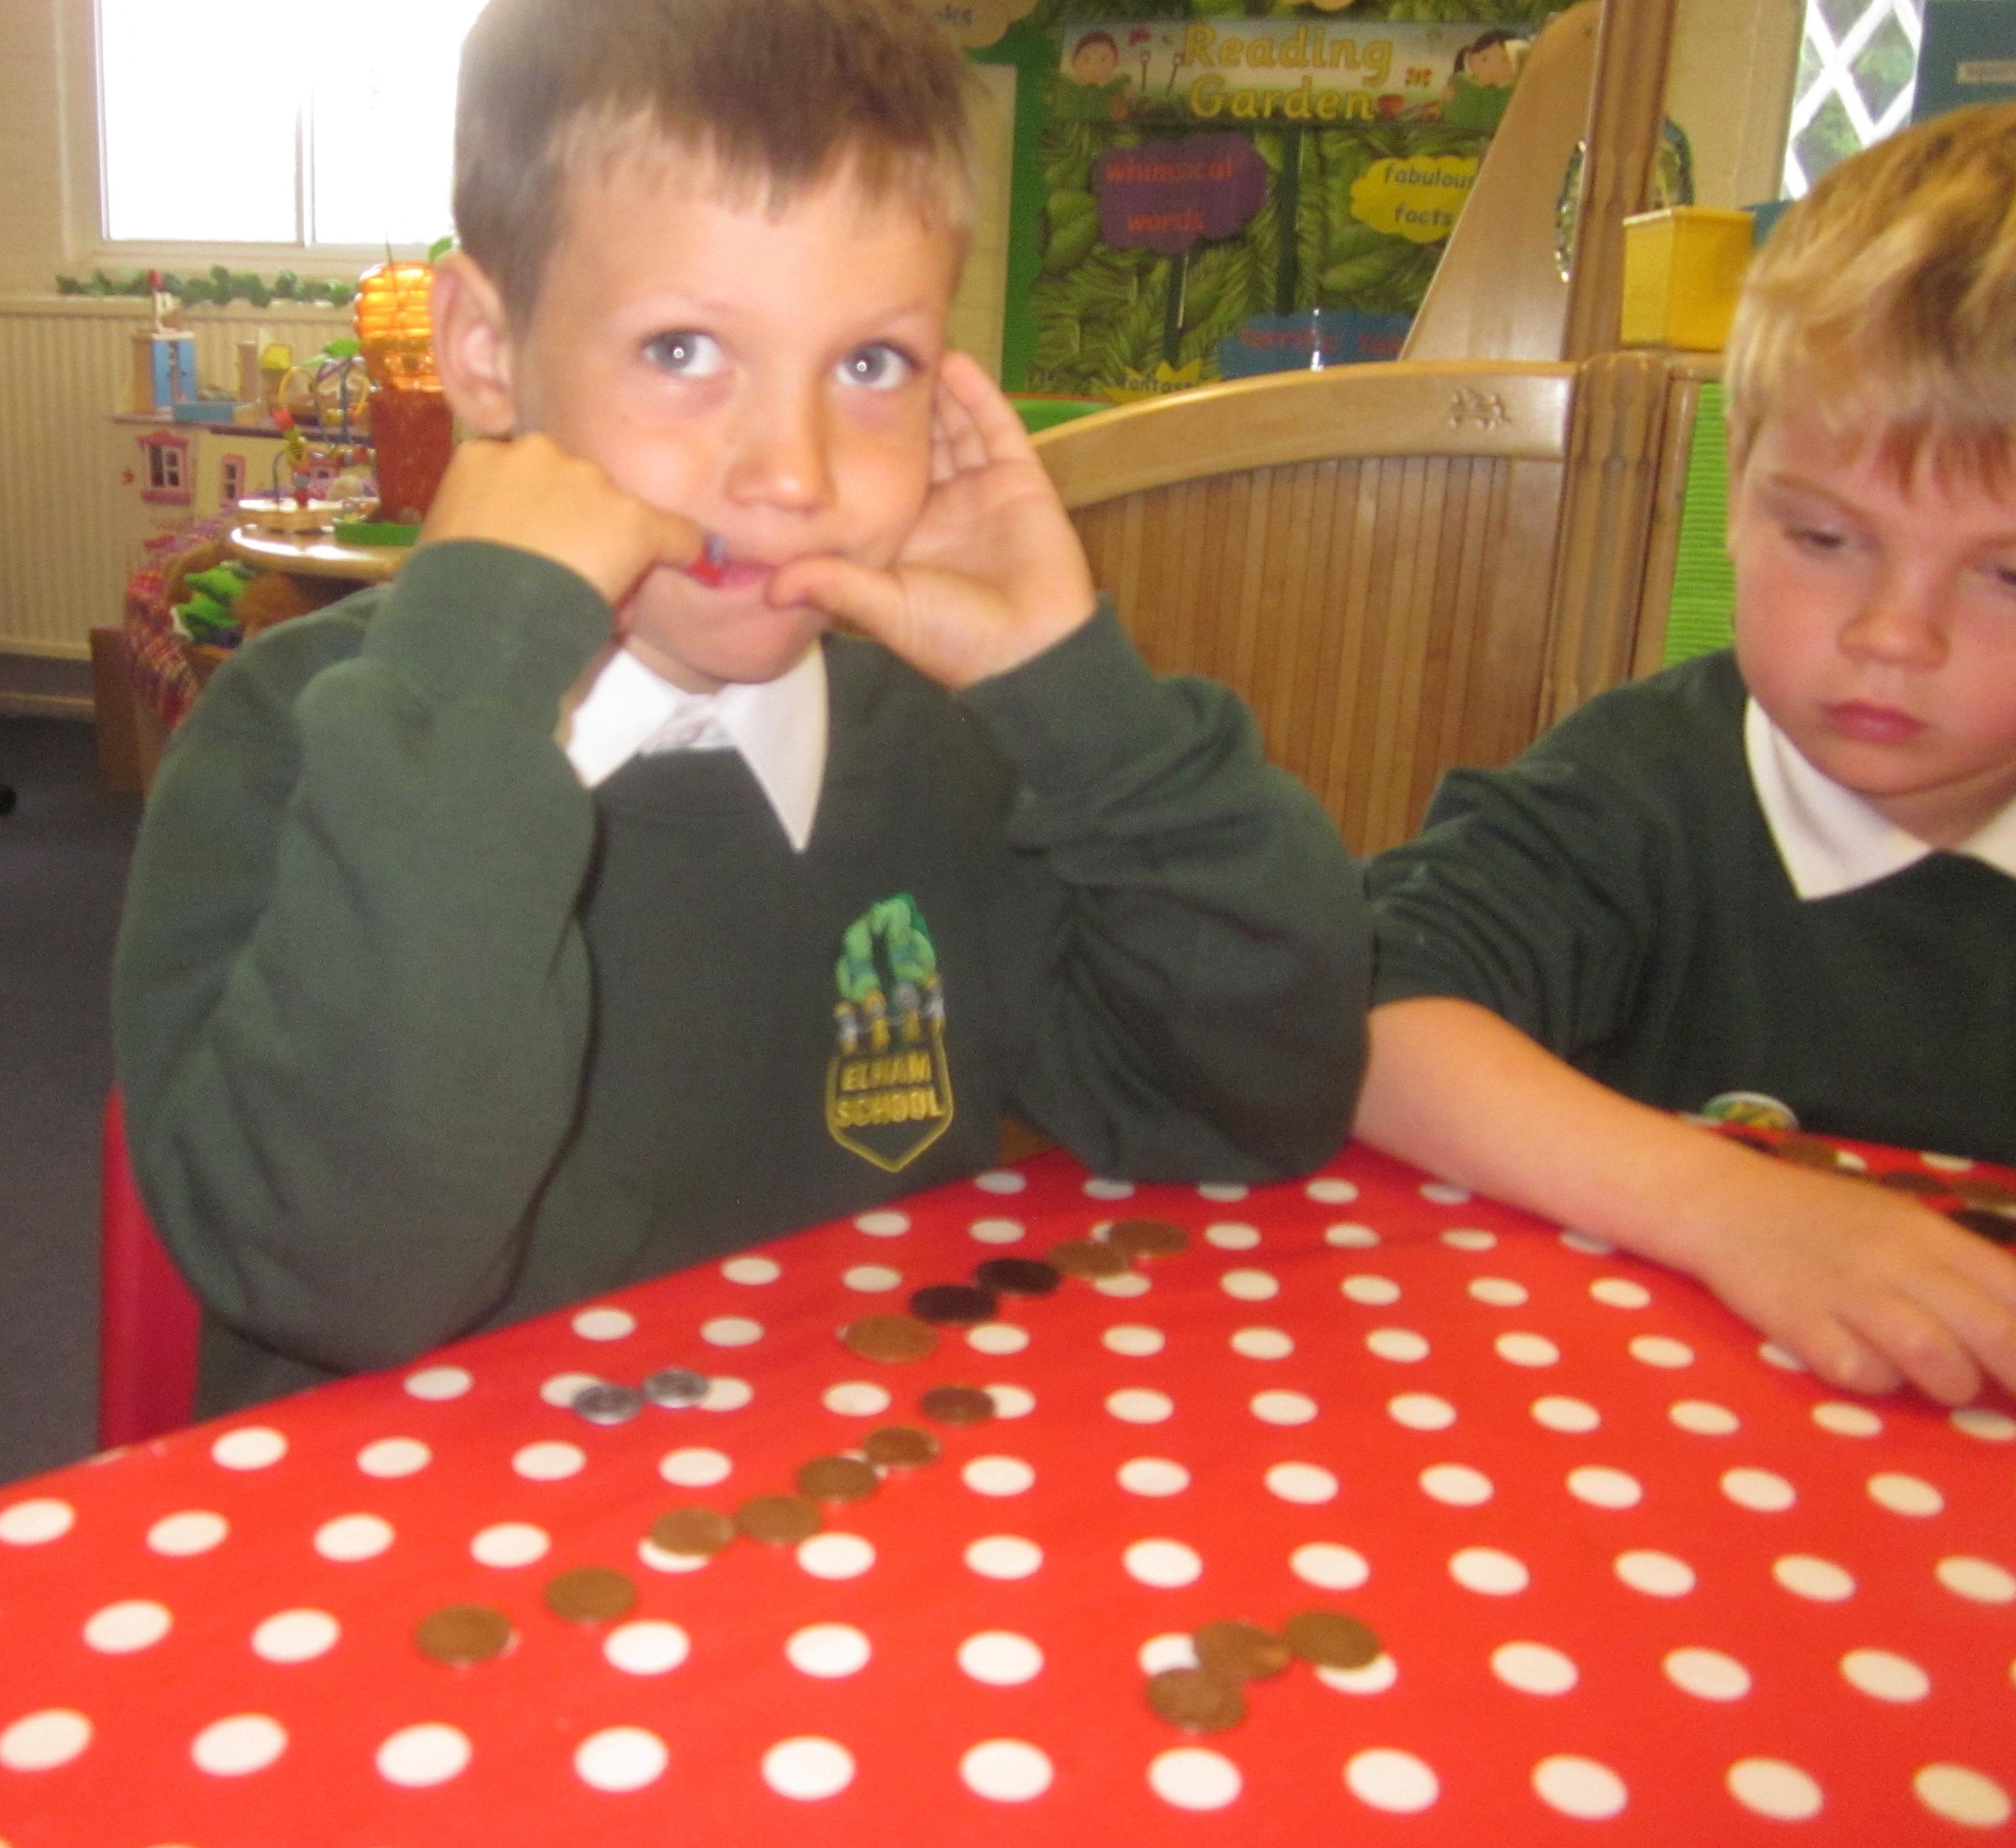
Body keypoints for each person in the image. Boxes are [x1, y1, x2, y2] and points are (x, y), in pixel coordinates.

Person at [113, 0, 1370, 1416]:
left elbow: (1252, 1104)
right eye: (680, 351)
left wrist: (1074, 693)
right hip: (422, 1531)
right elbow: (345, 1277)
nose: (792, 471)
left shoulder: (953, 752)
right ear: (485, 350)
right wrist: (471, 679)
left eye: (869, 364)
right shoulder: (295, 737)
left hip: (847, 1499)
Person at [1357, 102, 2016, 1406]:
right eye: (1823, 540)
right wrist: (1737, 1214)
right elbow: (1361, 1014)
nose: (1893, 634)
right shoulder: (1636, 791)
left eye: (2006, 573)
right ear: (1736, 497)